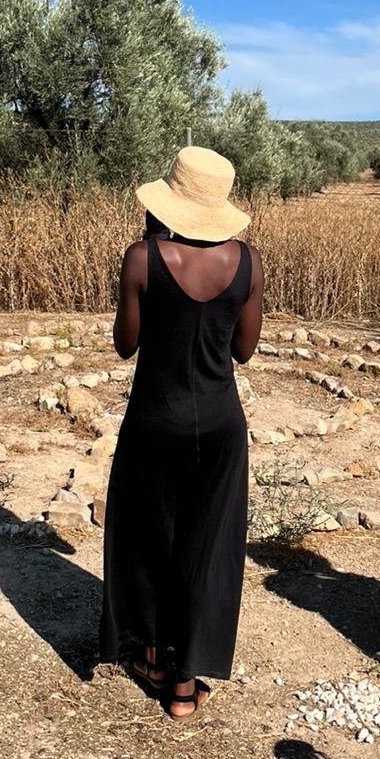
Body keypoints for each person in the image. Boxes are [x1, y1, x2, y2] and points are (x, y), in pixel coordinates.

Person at [100, 146, 264, 718]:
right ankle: (185, 686)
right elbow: (244, 350)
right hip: (220, 423)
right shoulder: (248, 262)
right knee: (207, 549)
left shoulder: (141, 257)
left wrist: (147, 257)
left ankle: (151, 654)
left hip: (153, 420)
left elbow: (126, 343)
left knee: (148, 537)